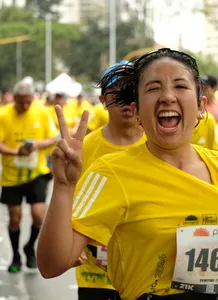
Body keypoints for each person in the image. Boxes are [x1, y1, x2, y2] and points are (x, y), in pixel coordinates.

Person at [37, 49, 218, 300]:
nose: (167, 96)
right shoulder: (111, 173)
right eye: (153, 88)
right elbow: (52, 265)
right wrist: (63, 185)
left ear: (200, 106)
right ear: (137, 110)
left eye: (180, 86)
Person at [75, 61, 145, 300]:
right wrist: (68, 242)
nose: (126, 101)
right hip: (95, 270)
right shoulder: (84, 148)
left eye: (132, 92)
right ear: (103, 100)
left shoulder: (161, 147)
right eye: (118, 93)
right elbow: (68, 201)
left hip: (145, 266)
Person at [0, 81, 58, 273]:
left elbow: (53, 138)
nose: (25, 106)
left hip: (36, 173)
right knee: (15, 218)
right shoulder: (4, 114)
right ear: (13, 99)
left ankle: (29, 247)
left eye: (28, 102)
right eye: (20, 103)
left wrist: (36, 145)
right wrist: (15, 151)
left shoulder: (41, 112)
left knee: (38, 215)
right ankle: (16, 256)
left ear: (32, 99)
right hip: (11, 176)